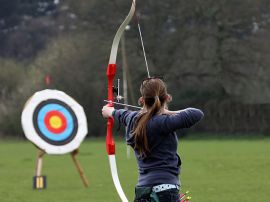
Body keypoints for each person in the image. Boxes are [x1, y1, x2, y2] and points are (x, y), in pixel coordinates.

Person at [102, 77, 204, 202]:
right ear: (166, 98)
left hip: (142, 191)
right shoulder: (163, 122)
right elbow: (196, 113)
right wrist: (168, 112)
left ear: (141, 100)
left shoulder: (132, 119)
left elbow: (119, 114)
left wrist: (110, 111)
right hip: (166, 190)